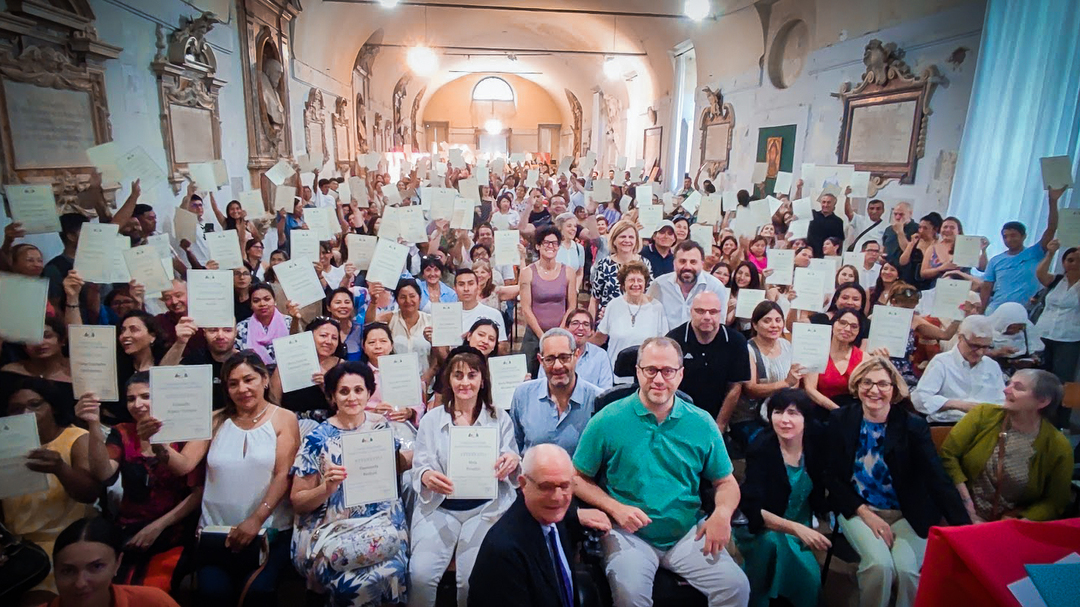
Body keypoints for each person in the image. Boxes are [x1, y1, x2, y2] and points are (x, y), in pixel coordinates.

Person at [572, 337, 750, 607]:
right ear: (638, 372)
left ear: (680, 375)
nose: (659, 379)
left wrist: (722, 514)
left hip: (686, 532)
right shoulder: (607, 420)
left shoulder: (701, 423)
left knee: (736, 587)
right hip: (628, 533)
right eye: (650, 370)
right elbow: (576, 478)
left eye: (667, 371)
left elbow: (725, 481)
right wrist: (613, 507)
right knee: (630, 595)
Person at [139, 351, 299, 607]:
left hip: (267, 532)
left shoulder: (284, 418)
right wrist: (158, 445)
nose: (242, 389)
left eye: (249, 379)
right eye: (233, 383)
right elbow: (184, 465)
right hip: (215, 534)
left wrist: (256, 520)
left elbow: (283, 475)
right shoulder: (214, 420)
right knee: (213, 595)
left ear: (264, 379)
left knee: (258, 594)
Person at [825, 357, 969, 607]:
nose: (874, 390)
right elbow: (832, 477)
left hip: (907, 513)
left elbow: (937, 478)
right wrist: (865, 513)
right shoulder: (841, 419)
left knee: (906, 570)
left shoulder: (913, 426)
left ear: (894, 389)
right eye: (866, 382)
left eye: (882, 384)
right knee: (879, 567)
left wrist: (965, 531)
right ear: (857, 387)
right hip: (859, 509)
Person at [289, 362, 410, 606]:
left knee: (395, 569)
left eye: (359, 390)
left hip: (382, 523)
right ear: (332, 396)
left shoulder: (381, 427)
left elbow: (398, 466)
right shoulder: (317, 438)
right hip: (333, 528)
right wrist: (326, 488)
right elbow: (298, 502)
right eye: (344, 391)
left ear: (368, 392)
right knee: (354, 584)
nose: (352, 397)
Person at [409, 346, 521, 607]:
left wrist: (512, 462)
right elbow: (420, 465)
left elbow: (512, 462)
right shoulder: (431, 420)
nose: (465, 382)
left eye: (472, 375)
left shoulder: (499, 418)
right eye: (458, 375)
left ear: (483, 380)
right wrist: (426, 476)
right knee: (420, 576)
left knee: (471, 579)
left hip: (484, 509)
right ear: (449, 379)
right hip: (439, 508)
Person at [77, 373, 202, 589]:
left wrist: (157, 527)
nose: (138, 404)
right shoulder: (123, 432)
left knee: (152, 590)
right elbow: (104, 473)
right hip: (129, 530)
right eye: (131, 399)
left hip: (173, 530)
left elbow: (195, 489)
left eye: (146, 396)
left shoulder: (188, 430)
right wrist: (94, 424)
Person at [468, 444, 612, 607]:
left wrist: (580, 514)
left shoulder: (553, 516)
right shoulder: (504, 551)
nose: (557, 497)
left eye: (564, 486)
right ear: (523, 484)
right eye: (546, 487)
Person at [3, 378, 99, 597]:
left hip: (63, 546)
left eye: (35, 405)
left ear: (52, 407)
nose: (25, 413)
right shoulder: (4, 446)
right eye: (16, 409)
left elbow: (89, 493)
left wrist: (60, 468)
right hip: (15, 550)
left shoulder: (75, 438)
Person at [734, 389, 829, 607]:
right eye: (778, 412)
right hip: (762, 528)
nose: (784, 420)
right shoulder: (761, 447)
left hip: (800, 525)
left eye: (793, 413)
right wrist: (796, 529)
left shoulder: (816, 446)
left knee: (810, 583)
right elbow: (753, 509)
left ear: (806, 418)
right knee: (771, 547)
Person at [940, 369, 1073, 524]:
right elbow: (948, 455)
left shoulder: (1058, 446)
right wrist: (966, 504)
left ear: (1042, 401)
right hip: (962, 514)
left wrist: (1021, 521)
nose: (1005, 390)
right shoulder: (983, 414)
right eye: (1009, 383)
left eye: (1018, 387)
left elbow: (1055, 501)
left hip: (1012, 525)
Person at [43, 517, 180, 607]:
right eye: (68, 571)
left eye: (96, 567)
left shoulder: (153, 602)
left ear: (117, 563)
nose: (80, 583)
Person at [510, 328, 601, 455]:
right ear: (540, 360)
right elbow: (514, 448)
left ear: (576, 355)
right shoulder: (523, 395)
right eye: (550, 359)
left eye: (564, 357)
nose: (557, 366)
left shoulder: (598, 399)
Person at [668, 292, 751, 428]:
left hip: (719, 418)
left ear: (720, 313)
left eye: (713, 312)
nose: (707, 317)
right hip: (679, 417)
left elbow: (735, 387)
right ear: (691, 312)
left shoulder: (736, 341)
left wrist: (720, 425)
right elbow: (669, 385)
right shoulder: (673, 340)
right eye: (700, 311)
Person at [731, 302, 804, 450]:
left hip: (781, 410)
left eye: (778, 320)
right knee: (769, 445)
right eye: (767, 320)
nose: (774, 325)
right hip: (751, 416)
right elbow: (751, 389)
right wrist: (785, 383)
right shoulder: (748, 350)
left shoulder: (787, 345)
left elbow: (794, 382)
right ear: (755, 325)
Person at [981, 187, 1063, 314]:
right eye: (1005, 236)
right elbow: (986, 288)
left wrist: (1052, 201)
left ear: (1023, 236)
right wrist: (980, 311)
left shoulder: (1035, 253)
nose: (1008, 239)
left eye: (1013, 235)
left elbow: (1051, 228)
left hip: (1024, 313)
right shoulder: (995, 261)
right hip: (996, 311)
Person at [912, 315, 1006, 424]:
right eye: (974, 346)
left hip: (984, 424)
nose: (980, 352)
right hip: (948, 423)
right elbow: (920, 399)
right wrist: (957, 404)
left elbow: (1001, 400)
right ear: (960, 338)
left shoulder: (992, 365)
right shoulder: (942, 362)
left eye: (985, 347)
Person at [591, 260, 667, 375]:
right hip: (615, 374)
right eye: (631, 280)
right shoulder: (613, 305)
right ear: (623, 284)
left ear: (645, 283)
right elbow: (600, 337)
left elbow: (664, 342)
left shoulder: (657, 307)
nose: (636, 284)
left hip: (647, 374)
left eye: (640, 280)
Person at [520, 226, 577, 377]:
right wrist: (542, 336)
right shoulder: (527, 273)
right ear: (538, 246)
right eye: (546, 243)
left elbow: (572, 305)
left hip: (562, 333)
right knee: (528, 375)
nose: (550, 246)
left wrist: (561, 330)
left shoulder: (569, 271)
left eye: (554, 243)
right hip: (534, 335)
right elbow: (526, 308)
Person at [269, 316, 342, 420]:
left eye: (334, 338)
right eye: (323, 336)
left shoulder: (342, 367)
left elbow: (343, 406)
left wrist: (325, 388)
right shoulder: (288, 361)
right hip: (291, 421)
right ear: (309, 337)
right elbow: (274, 400)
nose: (329, 341)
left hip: (329, 423)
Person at [649, 240, 729, 330]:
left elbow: (719, 325)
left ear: (702, 264)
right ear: (674, 263)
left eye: (693, 262)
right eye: (682, 261)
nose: (687, 266)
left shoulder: (716, 287)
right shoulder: (658, 285)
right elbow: (650, 320)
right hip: (666, 342)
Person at [1033, 240, 1080, 389]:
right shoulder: (1057, 280)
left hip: (1068, 339)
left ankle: (1060, 412)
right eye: (1070, 260)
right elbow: (1040, 273)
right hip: (1042, 333)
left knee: (1063, 380)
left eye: (1079, 260)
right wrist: (1051, 253)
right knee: (1038, 376)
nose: (1074, 264)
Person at [803, 310, 866, 420]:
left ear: (859, 331)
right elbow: (810, 389)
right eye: (842, 323)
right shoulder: (816, 352)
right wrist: (838, 411)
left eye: (854, 326)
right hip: (821, 414)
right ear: (833, 324)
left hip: (852, 415)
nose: (847, 329)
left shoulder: (864, 358)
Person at [538, 308, 614, 390]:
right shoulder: (552, 353)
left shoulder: (601, 355)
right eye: (575, 323)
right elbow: (543, 385)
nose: (581, 328)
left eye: (586, 324)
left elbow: (606, 389)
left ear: (591, 331)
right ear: (566, 328)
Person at [589, 220, 652, 318]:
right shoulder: (604, 264)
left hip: (637, 318)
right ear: (614, 240)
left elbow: (649, 296)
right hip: (608, 320)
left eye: (631, 237)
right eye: (622, 236)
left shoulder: (645, 263)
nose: (627, 240)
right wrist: (591, 326)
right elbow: (595, 299)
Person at [234, 282, 300, 364]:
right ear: (250, 305)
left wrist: (295, 320)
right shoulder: (242, 328)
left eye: (267, 299)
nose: (262, 304)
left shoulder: (289, 322)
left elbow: (298, 347)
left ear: (275, 301)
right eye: (256, 301)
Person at [453, 269, 509, 354]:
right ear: (455, 289)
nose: (466, 289)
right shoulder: (447, 316)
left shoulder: (493, 314)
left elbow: (502, 348)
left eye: (471, 284)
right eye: (461, 284)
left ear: (478, 286)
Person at [807, 192, 845, 258]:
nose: (825, 205)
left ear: (834, 204)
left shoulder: (838, 221)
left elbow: (839, 242)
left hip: (827, 257)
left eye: (829, 202)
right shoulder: (812, 215)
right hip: (810, 254)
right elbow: (797, 206)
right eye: (823, 202)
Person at [881, 202, 918, 268]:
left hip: (905, 269)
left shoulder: (917, 229)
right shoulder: (889, 229)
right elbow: (884, 247)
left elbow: (908, 251)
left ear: (910, 213)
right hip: (888, 267)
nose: (897, 217)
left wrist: (900, 232)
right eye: (895, 214)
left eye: (901, 214)